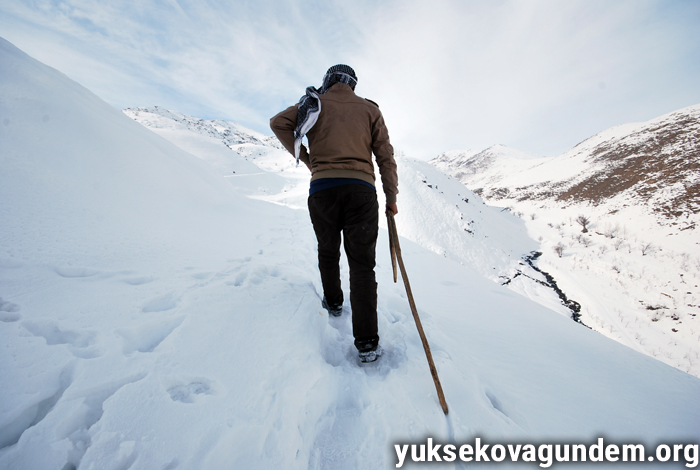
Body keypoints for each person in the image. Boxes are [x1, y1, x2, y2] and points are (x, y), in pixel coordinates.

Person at [270, 64, 398, 363]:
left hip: (323, 189)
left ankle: (335, 303)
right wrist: (391, 196)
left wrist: (307, 158)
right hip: (361, 191)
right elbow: (385, 156)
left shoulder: (313, 103)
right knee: (363, 266)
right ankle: (367, 343)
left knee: (328, 250)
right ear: (352, 84)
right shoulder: (369, 110)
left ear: (328, 81)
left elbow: (279, 123)